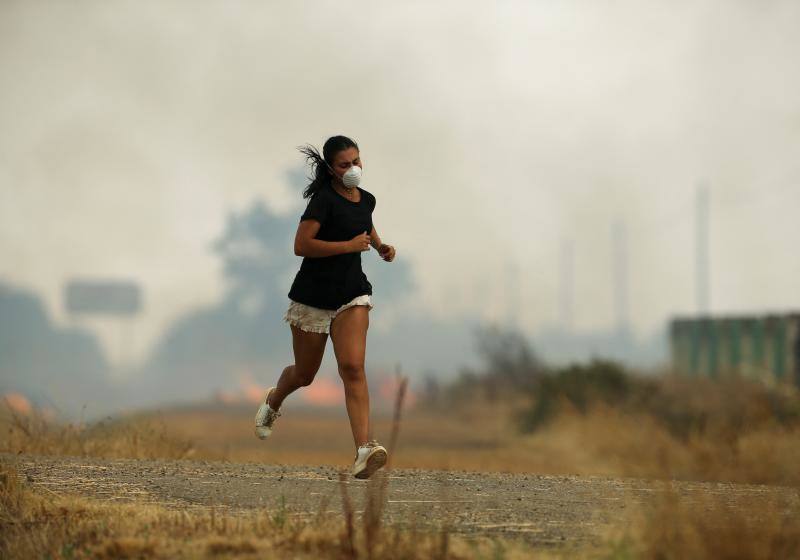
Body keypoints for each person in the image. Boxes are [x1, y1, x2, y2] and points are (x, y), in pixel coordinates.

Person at [253, 135, 396, 479]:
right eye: (345, 164)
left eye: (357, 161)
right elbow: (301, 245)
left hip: (352, 294)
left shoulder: (367, 199)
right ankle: (274, 399)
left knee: (352, 367)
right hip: (313, 297)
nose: (353, 169)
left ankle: (364, 449)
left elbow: (365, 223)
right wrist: (348, 246)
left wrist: (379, 246)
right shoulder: (323, 201)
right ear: (332, 168)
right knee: (305, 374)